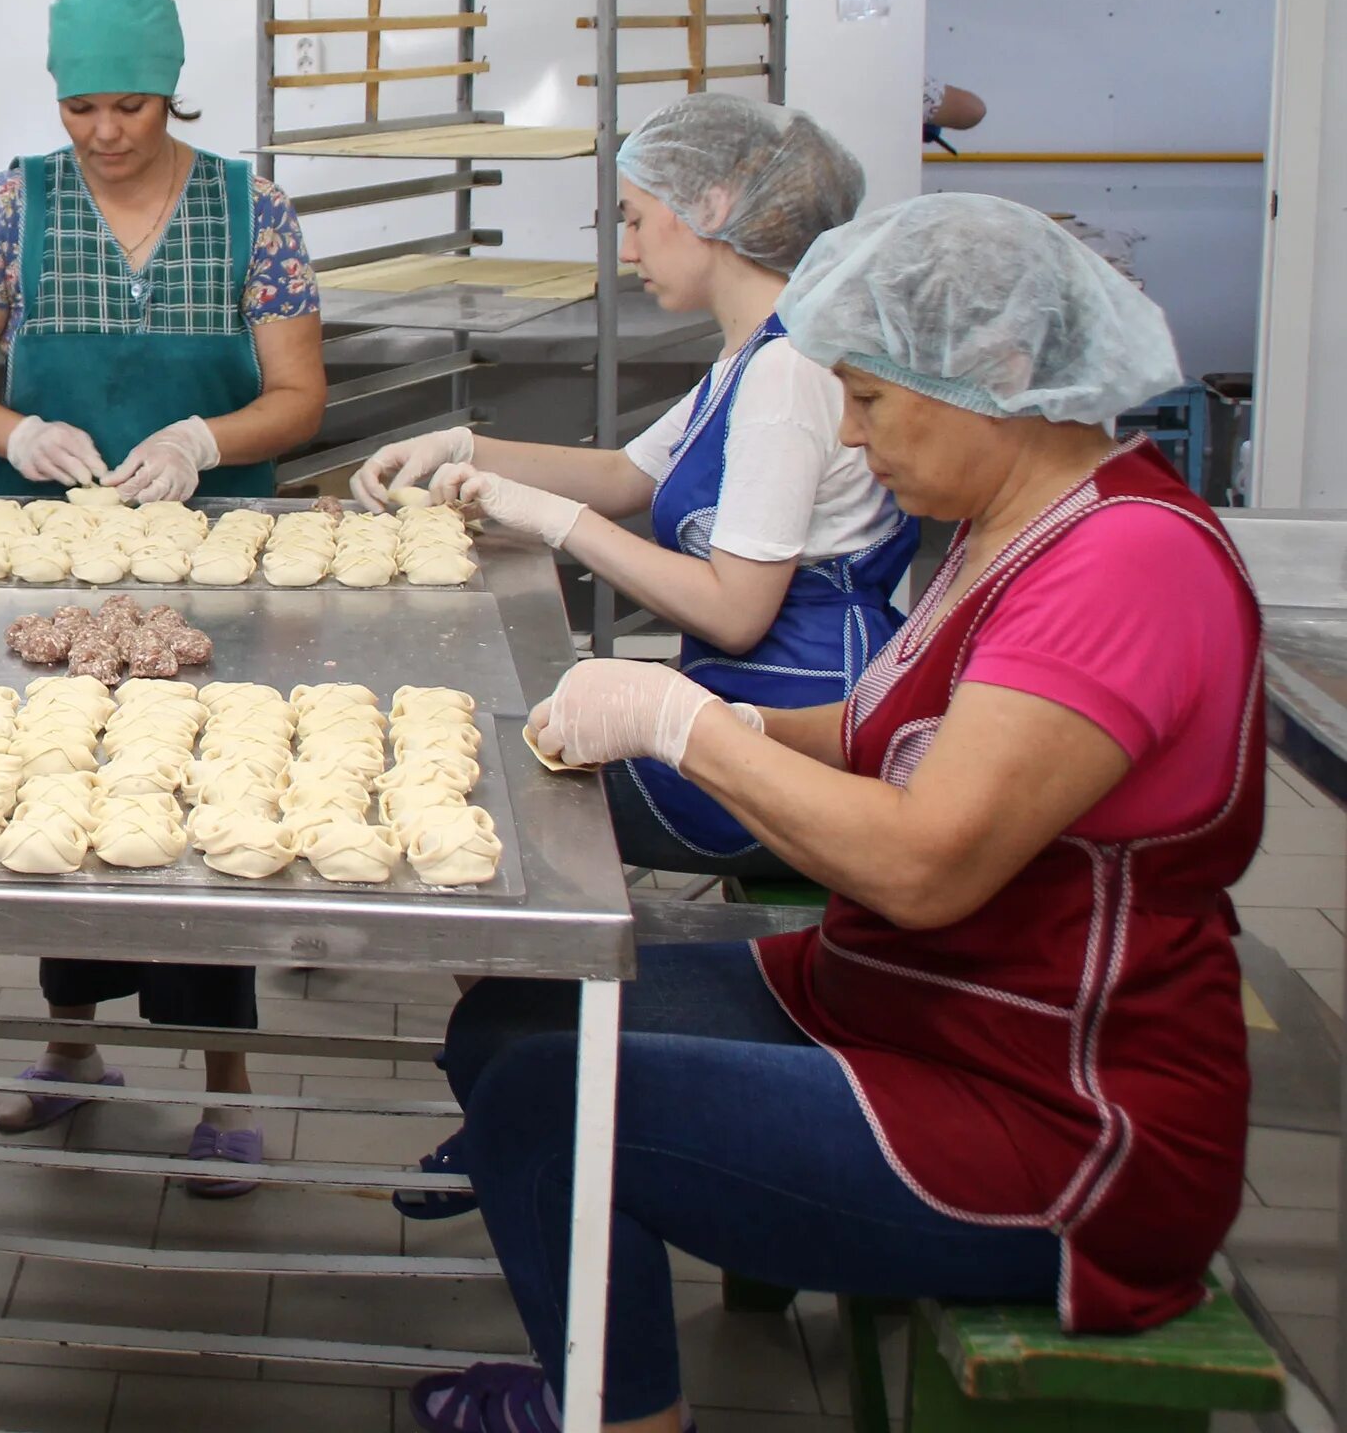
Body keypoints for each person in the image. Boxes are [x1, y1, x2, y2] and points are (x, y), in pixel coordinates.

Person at [407, 193, 1258, 1433]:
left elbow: (925, 866)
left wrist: (678, 723)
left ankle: (622, 1415)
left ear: (1001, 376)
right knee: (514, 1016)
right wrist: (733, 722)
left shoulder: (1125, 568)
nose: (852, 441)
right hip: (899, 994)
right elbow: (877, 736)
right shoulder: (1002, 528)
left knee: (546, 1109)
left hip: (1053, 1111)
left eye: (871, 398)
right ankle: (598, 1362)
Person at [0, 0, 325, 1191]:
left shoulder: (253, 210)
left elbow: (300, 395)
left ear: (171, 91)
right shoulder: (12, 206)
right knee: (61, 796)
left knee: (209, 803)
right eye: (80, 104)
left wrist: (205, 440)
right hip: (52, 558)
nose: (102, 132)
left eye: (129, 104)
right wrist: (12, 430)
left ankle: (227, 1084)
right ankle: (70, 1042)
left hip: (210, 556)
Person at [357, 94, 916, 880]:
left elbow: (736, 611)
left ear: (710, 208)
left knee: (480, 787)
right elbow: (626, 474)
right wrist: (462, 444)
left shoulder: (788, 375)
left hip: (798, 722)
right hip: (751, 697)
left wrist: (556, 520)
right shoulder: (756, 352)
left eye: (635, 218)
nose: (625, 250)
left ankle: (547, 1000)